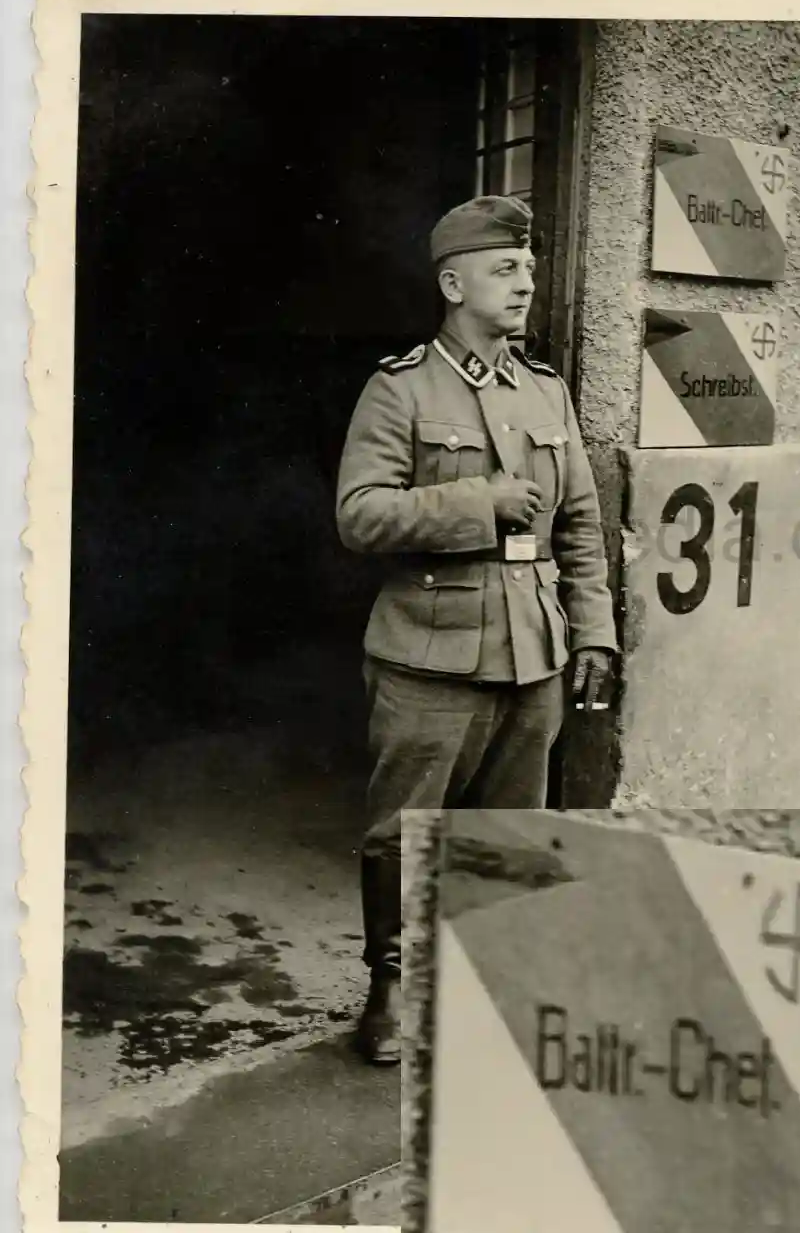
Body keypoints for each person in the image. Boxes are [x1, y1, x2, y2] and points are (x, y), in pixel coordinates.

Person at [333, 195, 616, 1064]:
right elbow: (360, 516)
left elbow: (577, 522)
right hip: (430, 650)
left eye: (529, 269)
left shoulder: (546, 390)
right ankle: (391, 990)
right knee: (403, 830)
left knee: (509, 833)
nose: (525, 282)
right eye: (506, 269)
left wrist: (594, 632)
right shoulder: (399, 388)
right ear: (453, 283)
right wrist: (475, 502)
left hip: (532, 653)